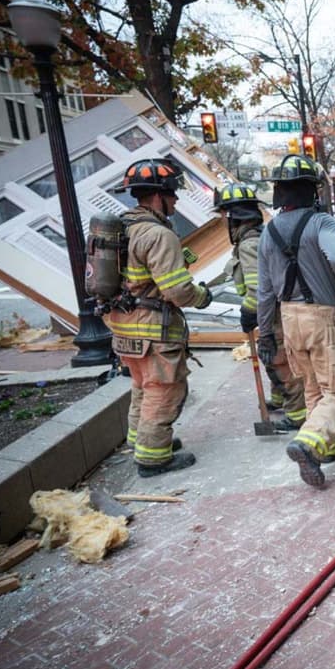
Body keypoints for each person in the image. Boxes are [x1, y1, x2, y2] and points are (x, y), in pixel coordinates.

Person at [255, 155, 335, 487]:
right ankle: (309, 443)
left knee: (314, 388)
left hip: (289, 321)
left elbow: (264, 293)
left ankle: (326, 448)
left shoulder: (266, 233)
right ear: (312, 191)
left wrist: (265, 335)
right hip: (321, 317)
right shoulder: (322, 223)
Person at [105, 158, 212, 476]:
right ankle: (153, 458)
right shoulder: (157, 235)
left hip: (124, 327)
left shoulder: (122, 228)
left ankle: (145, 441)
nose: (176, 199)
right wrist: (203, 296)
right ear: (158, 195)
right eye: (173, 192)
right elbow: (177, 291)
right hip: (152, 330)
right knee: (164, 389)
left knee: (142, 387)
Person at [215, 182, 307, 431]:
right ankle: (279, 399)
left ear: (235, 218)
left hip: (272, 314)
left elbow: (258, 289)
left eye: (226, 216)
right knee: (272, 358)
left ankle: (298, 415)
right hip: (274, 312)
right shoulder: (255, 238)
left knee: (280, 362)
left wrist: (248, 311)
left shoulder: (249, 245)